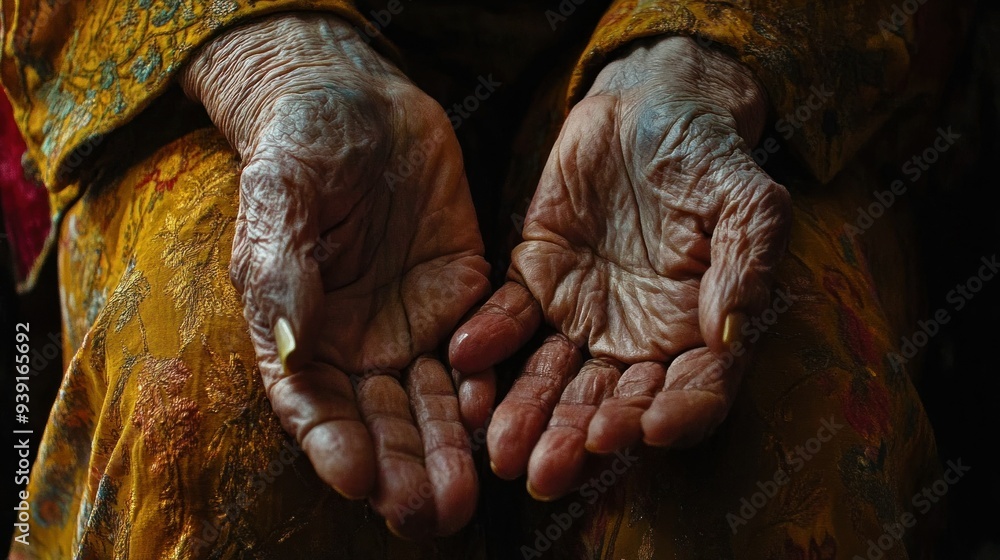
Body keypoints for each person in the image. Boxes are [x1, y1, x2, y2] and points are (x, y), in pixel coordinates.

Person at [1, 0, 973, 557]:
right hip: (244, 45)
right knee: (215, 409)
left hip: (728, 56)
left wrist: (695, 61)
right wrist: (280, 61)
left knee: (775, 422)